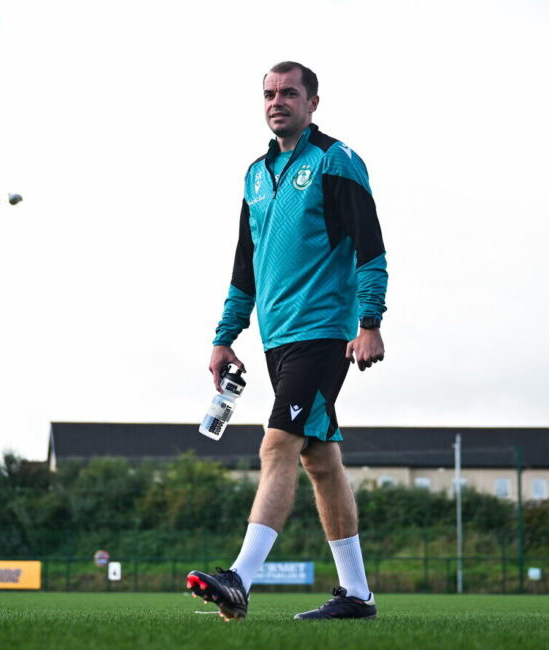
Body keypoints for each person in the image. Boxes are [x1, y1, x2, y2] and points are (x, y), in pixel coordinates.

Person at [186, 61, 388, 621]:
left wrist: (369, 321)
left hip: (324, 332)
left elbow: (371, 248)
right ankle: (357, 595)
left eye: (290, 93)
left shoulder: (336, 162)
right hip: (278, 338)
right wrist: (225, 337)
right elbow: (244, 268)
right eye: (269, 94)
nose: (278, 101)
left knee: (277, 446)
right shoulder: (254, 175)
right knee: (319, 460)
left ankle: (239, 579)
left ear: (313, 103)